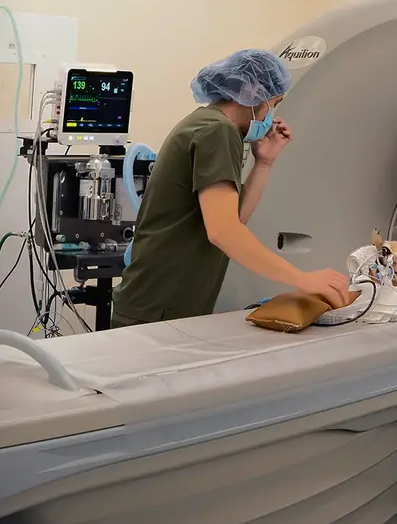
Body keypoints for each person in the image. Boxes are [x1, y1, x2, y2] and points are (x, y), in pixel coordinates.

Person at [111, 49, 349, 327]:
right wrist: (303, 279)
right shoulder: (217, 131)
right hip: (157, 308)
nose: (271, 116)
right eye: (274, 104)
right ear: (252, 93)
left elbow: (234, 220)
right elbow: (223, 232)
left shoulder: (210, 124)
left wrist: (264, 163)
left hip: (163, 304)